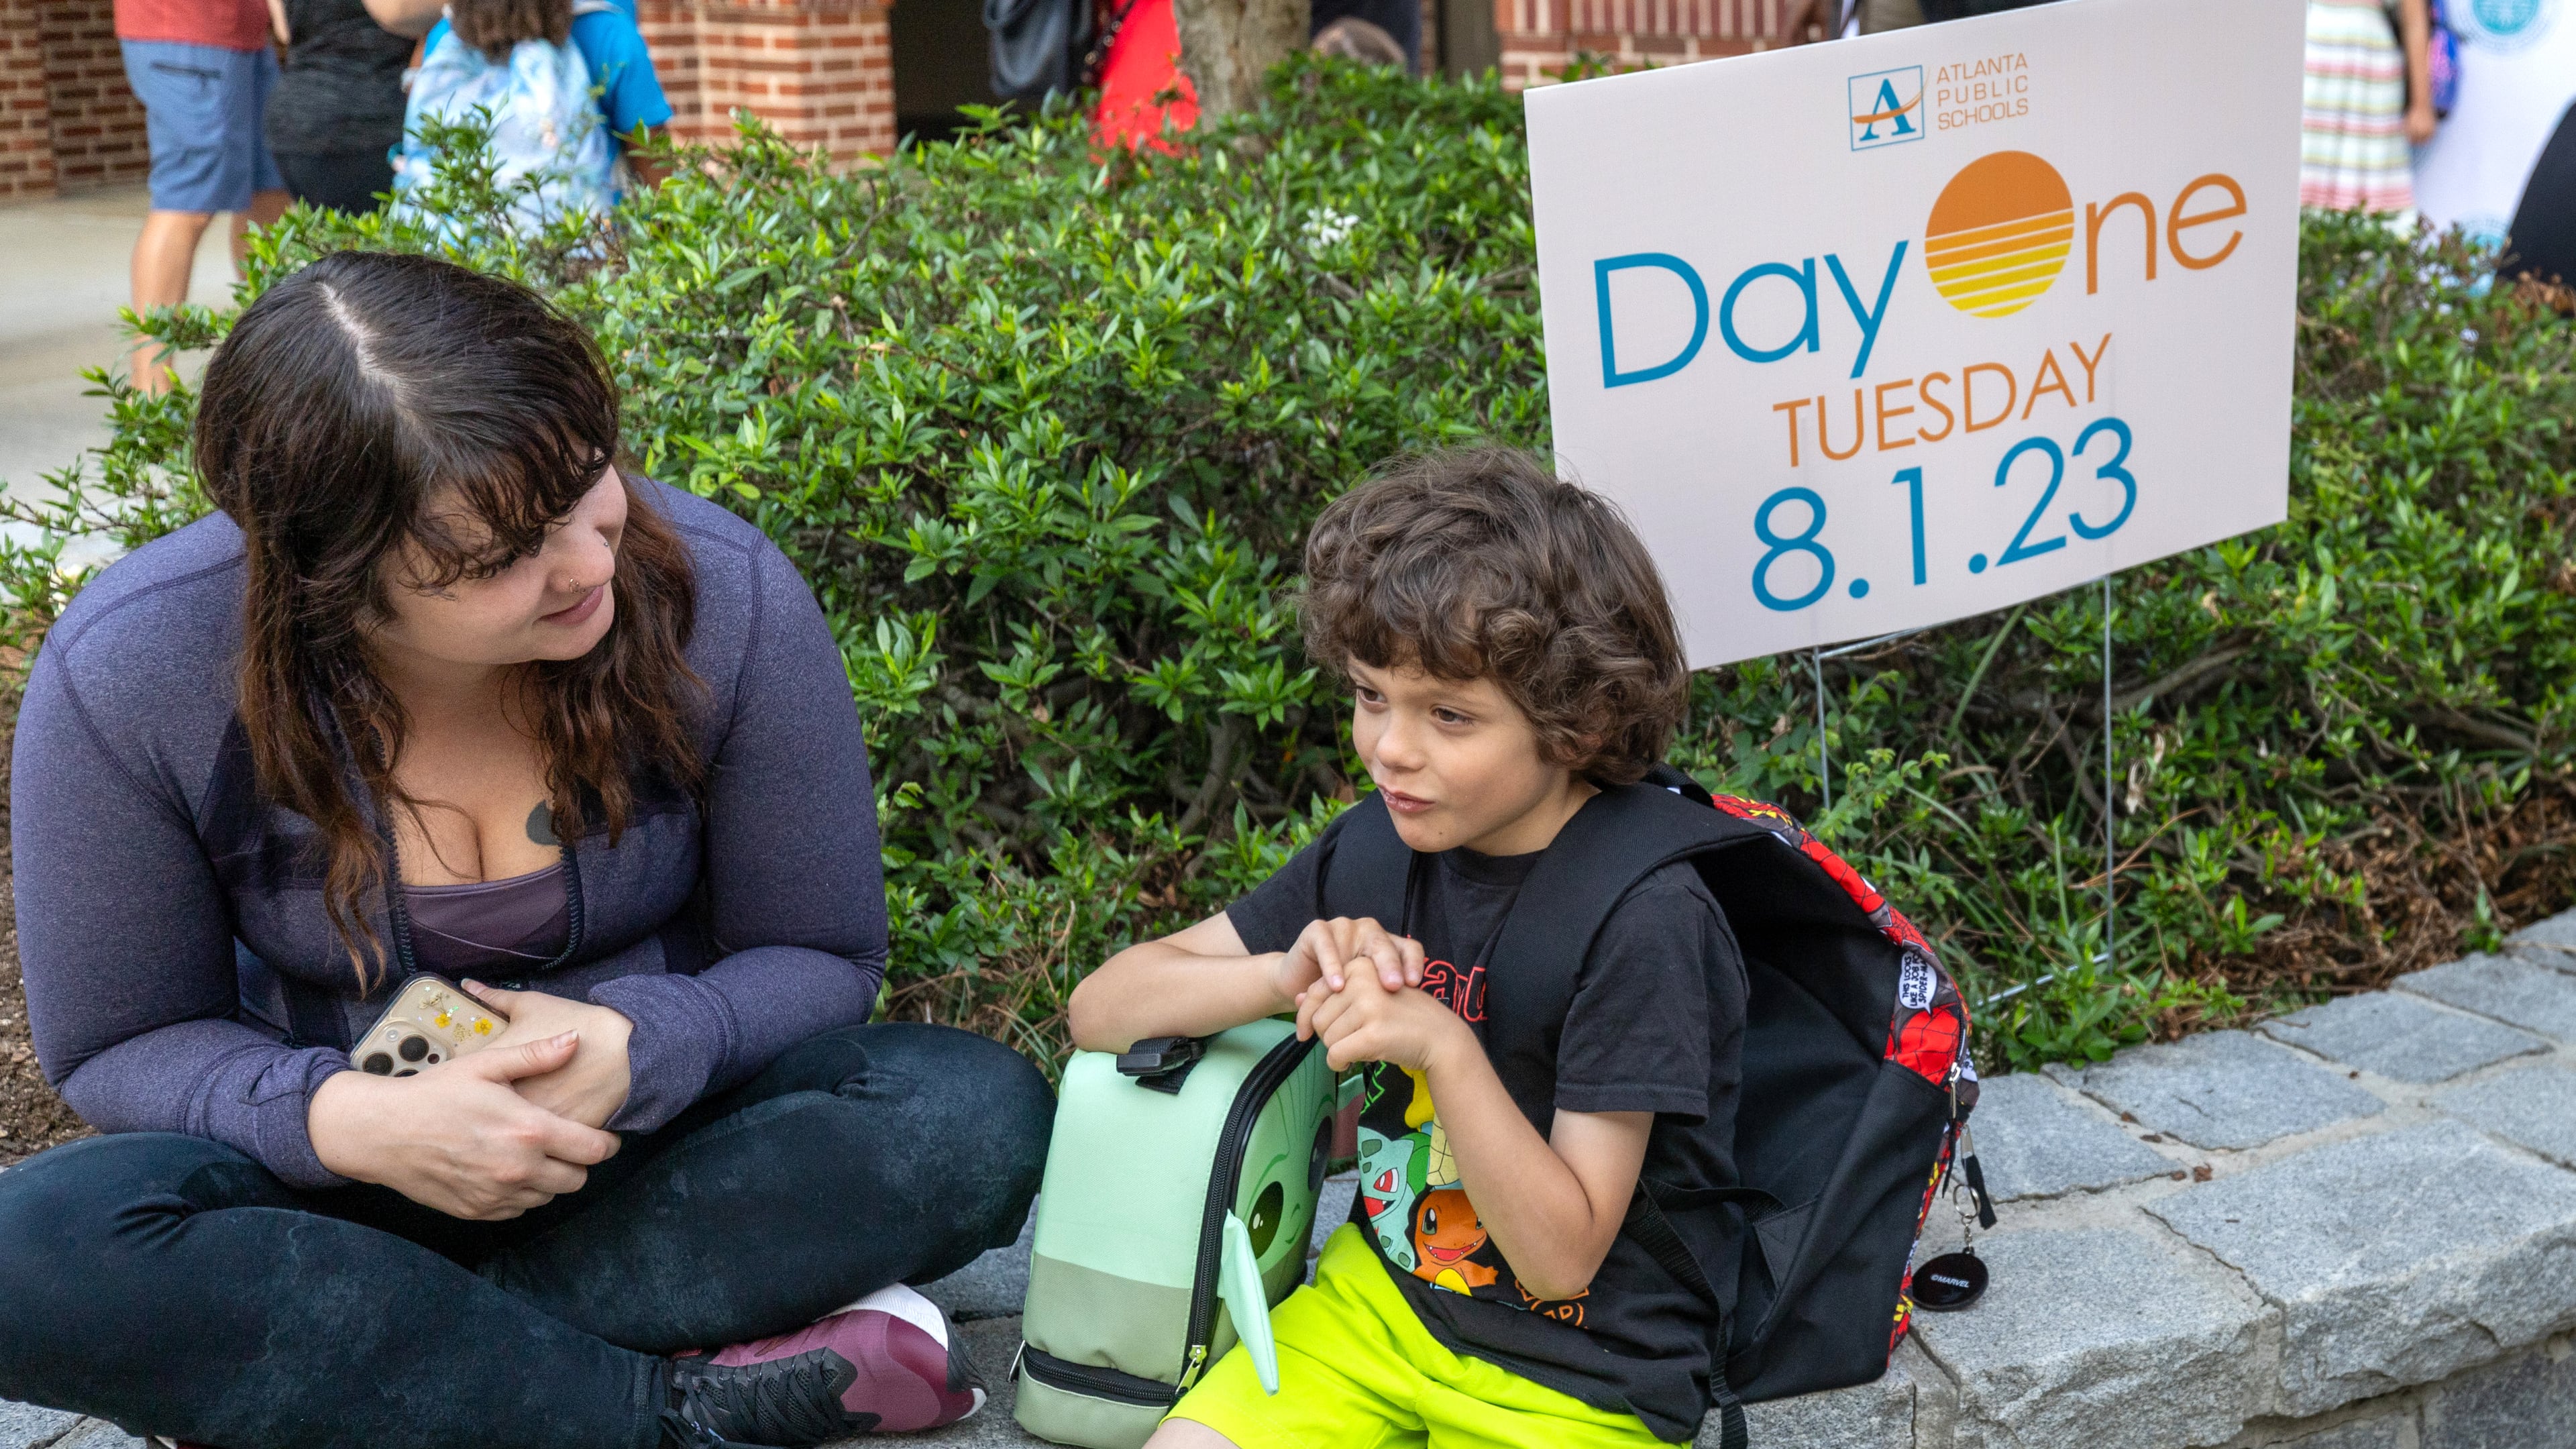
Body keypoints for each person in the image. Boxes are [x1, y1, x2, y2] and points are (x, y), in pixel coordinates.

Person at [0, 250, 1051, 1449]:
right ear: (325, 582)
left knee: (974, 1115)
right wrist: (341, 1120)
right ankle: (662, 1410)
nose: (594, 564)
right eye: (503, 560)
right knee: (26, 1254)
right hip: (338, 1191)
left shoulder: (725, 595)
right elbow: (121, 1039)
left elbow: (820, 951)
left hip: (656, 1153)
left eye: (586, 485)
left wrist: (648, 1044)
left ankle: (356, 1369)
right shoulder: (135, 668)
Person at [1068, 449, 1748, 1449]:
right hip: (1376, 1310)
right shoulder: (1376, 847)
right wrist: (1279, 971)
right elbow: (1101, 1009)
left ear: (1577, 722)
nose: (1390, 747)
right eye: (1371, 694)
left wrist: (1442, 1047)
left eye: (1449, 715)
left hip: (1584, 1373)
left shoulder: (1646, 918)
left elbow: (1563, 1258)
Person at [116, 0, 292, 392]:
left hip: (244, 35)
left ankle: (274, 361)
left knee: (271, 194)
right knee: (187, 203)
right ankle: (151, 399)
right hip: (186, 32)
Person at [400, 0, 674, 208]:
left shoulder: (445, 38)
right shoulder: (605, 32)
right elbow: (656, 172)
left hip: (453, 268)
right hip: (581, 262)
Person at [261, 0, 414, 214]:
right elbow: (396, 12)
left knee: (336, 239)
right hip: (368, 118)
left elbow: (284, 31)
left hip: (295, 120)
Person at [2302, 0, 2440, 215]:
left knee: (2373, 176)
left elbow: (2414, 22)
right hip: (2312, 60)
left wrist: (2421, 105)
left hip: (2370, 67)